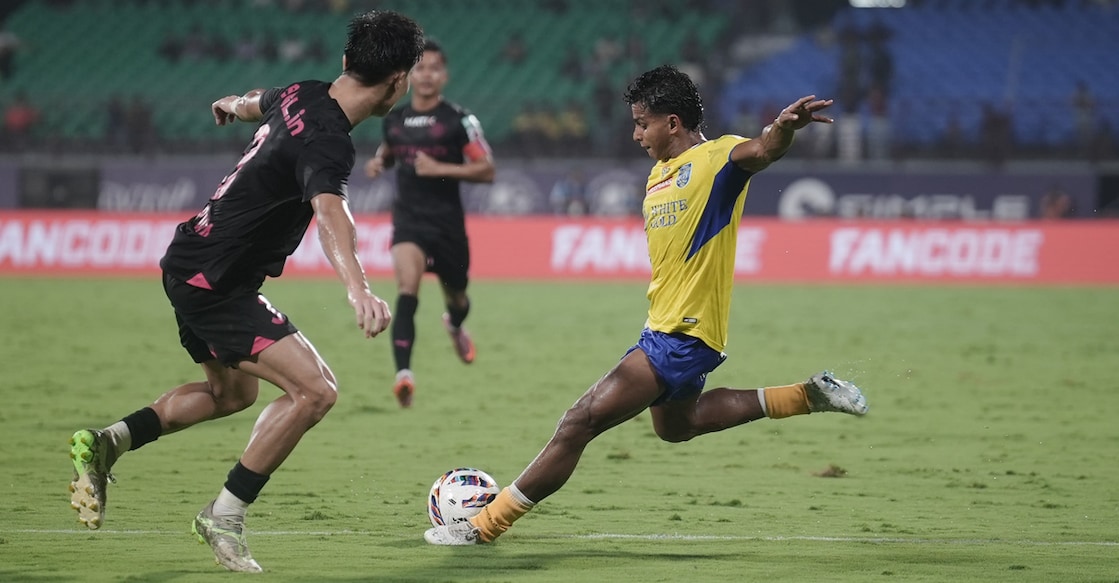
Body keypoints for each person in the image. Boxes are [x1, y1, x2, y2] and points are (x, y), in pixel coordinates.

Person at [424, 65, 869, 546]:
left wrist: (783, 126)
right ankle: (808, 394)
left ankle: (485, 525)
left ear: (672, 123)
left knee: (579, 421)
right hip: (664, 329)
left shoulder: (718, 159)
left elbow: (762, 150)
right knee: (679, 426)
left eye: (642, 123)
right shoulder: (659, 174)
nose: (636, 134)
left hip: (682, 334)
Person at [67, 10, 424, 572]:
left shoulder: (305, 92)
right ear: (400, 80)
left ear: (345, 62)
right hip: (216, 282)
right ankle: (224, 514)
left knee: (233, 395)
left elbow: (262, 99)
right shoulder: (331, 141)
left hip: (191, 261)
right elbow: (331, 212)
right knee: (315, 391)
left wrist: (232, 104)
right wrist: (358, 288)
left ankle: (109, 440)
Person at [363, 39, 495, 408]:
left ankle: (453, 324)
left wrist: (440, 169)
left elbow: (487, 169)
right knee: (407, 289)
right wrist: (379, 163)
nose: (426, 75)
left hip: (448, 226)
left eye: (434, 68)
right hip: (409, 222)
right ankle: (403, 375)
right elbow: (390, 153)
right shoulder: (394, 119)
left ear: (444, 75)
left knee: (459, 299)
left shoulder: (459, 120)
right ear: (407, 75)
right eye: (420, 68)